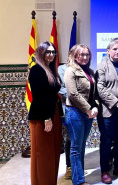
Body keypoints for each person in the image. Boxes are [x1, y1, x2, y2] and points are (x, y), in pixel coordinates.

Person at [28, 41, 62, 185]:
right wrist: (47, 118)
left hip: (52, 114)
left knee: (52, 153)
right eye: (48, 52)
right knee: (42, 155)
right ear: (41, 53)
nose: (51, 55)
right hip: (42, 117)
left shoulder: (50, 70)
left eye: (53, 52)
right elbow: (38, 96)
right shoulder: (37, 69)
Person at [96, 39, 118, 184]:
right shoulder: (102, 66)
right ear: (108, 50)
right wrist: (116, 103)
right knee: (106, 142)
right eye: (115, 49)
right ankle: (104, 171)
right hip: (107, 111)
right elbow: (100, 88)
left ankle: (117, 168)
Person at [64, 44, 98, 185]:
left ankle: (78, 177)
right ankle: (78, 181)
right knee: (76, 148)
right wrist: (89, 109)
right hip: (75, 112)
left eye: (87, 54)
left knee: (82, 146)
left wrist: (95, 106)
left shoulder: (89, 71)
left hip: (87, 113)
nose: (84, 57)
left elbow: (93, 93)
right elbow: (73, 94)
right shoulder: (70, 71)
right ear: (75, 55)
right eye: (81, 54)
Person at [58, 52, 72, 180]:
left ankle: (78, 166)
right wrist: (74, 97)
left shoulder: (85, 68)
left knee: (79, 140)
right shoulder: (62, 69)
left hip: (83, 109)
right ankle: (69, 167)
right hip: (68, 107)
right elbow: (60, 88)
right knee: (69, 138)